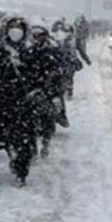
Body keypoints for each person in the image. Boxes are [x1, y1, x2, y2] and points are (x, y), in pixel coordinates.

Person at [0, 15, 37, 186]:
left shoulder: (31, 49)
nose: (15, 30)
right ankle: (13, 156)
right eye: (12, 26)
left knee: (24, 138)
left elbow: (38, 72)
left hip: (25, 101)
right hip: (3, 100)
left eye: (18, 26)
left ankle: (21, 170)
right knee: (6, 136)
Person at [26, 25, 66, 157]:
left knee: (48, 119)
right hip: (32, 90)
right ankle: (33, 148)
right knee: (29, 121)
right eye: (35, 35)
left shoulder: (53, 50)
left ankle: (45, 143)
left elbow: (59, 71)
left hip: (49, 91)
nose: (37, 38)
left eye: (40, 35)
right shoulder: (27, 51)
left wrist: (53, 90)